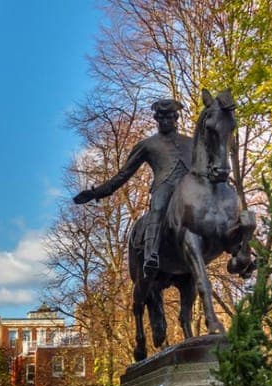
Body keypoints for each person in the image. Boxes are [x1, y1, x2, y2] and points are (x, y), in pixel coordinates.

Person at [73, 99, 192, 276]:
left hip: (190, 187)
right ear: (156, 119)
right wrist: (96, 192)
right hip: (164, 185)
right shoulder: (147, 145)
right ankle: (151, 254)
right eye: (161, 118)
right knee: (158, 208)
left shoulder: (191, 142)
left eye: (169, 117)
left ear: (176, 118)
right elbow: (123, 174)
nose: (165, 121)